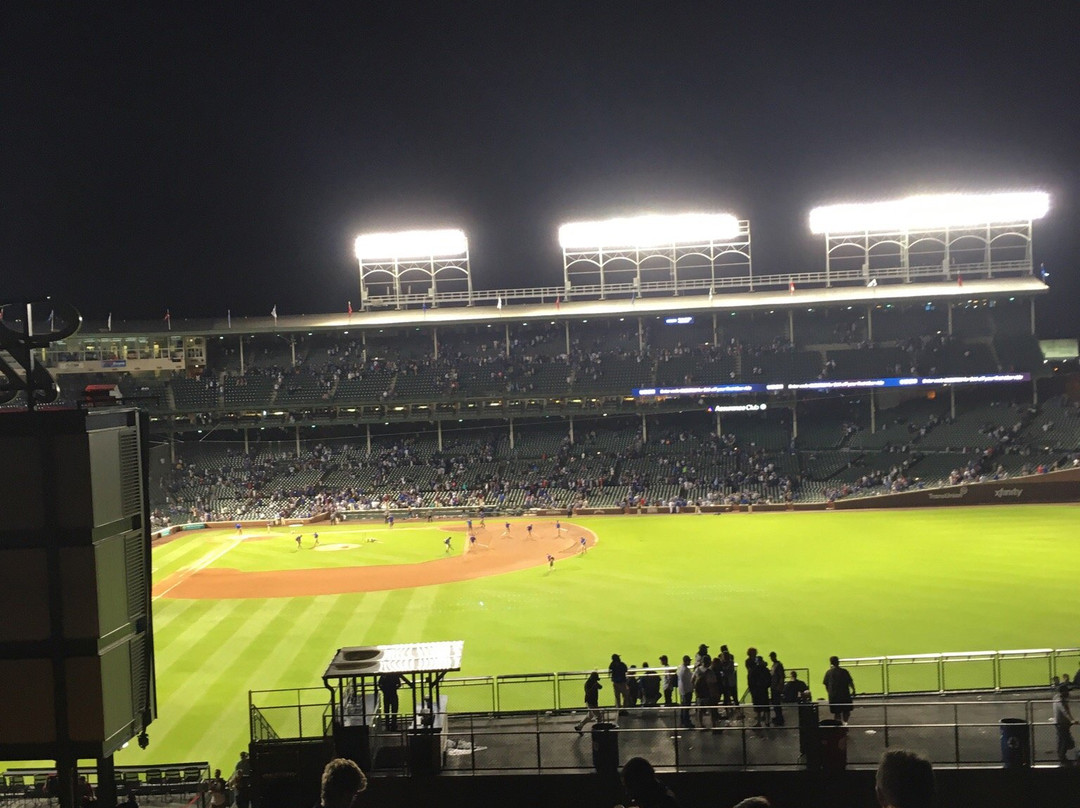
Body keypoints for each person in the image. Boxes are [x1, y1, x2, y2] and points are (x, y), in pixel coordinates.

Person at [823, 655, 857, 724]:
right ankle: (845, 723)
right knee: (846, 711)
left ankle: (838, 725)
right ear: (838, 662)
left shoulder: (828, 672)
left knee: (837, 712)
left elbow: (826, 685)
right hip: (845, 695)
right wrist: (854, 690)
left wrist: (830, 693)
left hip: (834, 696)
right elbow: (850, 682)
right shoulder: (844, 671)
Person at [1053, 684, 1078, 765]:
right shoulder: (1060, 700)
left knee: (1064, 740)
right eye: (1066, 691)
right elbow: (1064, 711)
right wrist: (1072, 720)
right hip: (1062, 724)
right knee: (1064, 741)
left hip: (1062, 723)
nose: (1068, 693)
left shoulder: (1058, 698)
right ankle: (1062, 758)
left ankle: (1062, 757)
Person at [748, 656, 772, 727]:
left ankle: (759, 722)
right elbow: (769, 679)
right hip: (763, 690)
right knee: (765, 706)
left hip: (757, 691)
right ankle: (767, 722)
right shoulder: (765, 669)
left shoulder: (753, 670)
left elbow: (751, 681)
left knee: (758, 707)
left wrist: (752, 689)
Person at [676, 654, 694, 729]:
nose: (690, 662)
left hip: (682, 690)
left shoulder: (680, 668)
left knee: (683, 707)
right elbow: (691, 679)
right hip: (687, 691)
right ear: (686, 661)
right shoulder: (685, 670)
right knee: (686, 708)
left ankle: (683, 721)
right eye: (689, 661)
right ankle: (686, 722)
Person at [768, 651, 785, 726]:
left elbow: (781, 676)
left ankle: (780, 719)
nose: (771, 658)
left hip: (776, 687)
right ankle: (777, 717)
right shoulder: (775, 665)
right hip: (773, 686)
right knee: (775, 703)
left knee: (777, 703)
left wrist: (780, 686)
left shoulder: (778, 665)